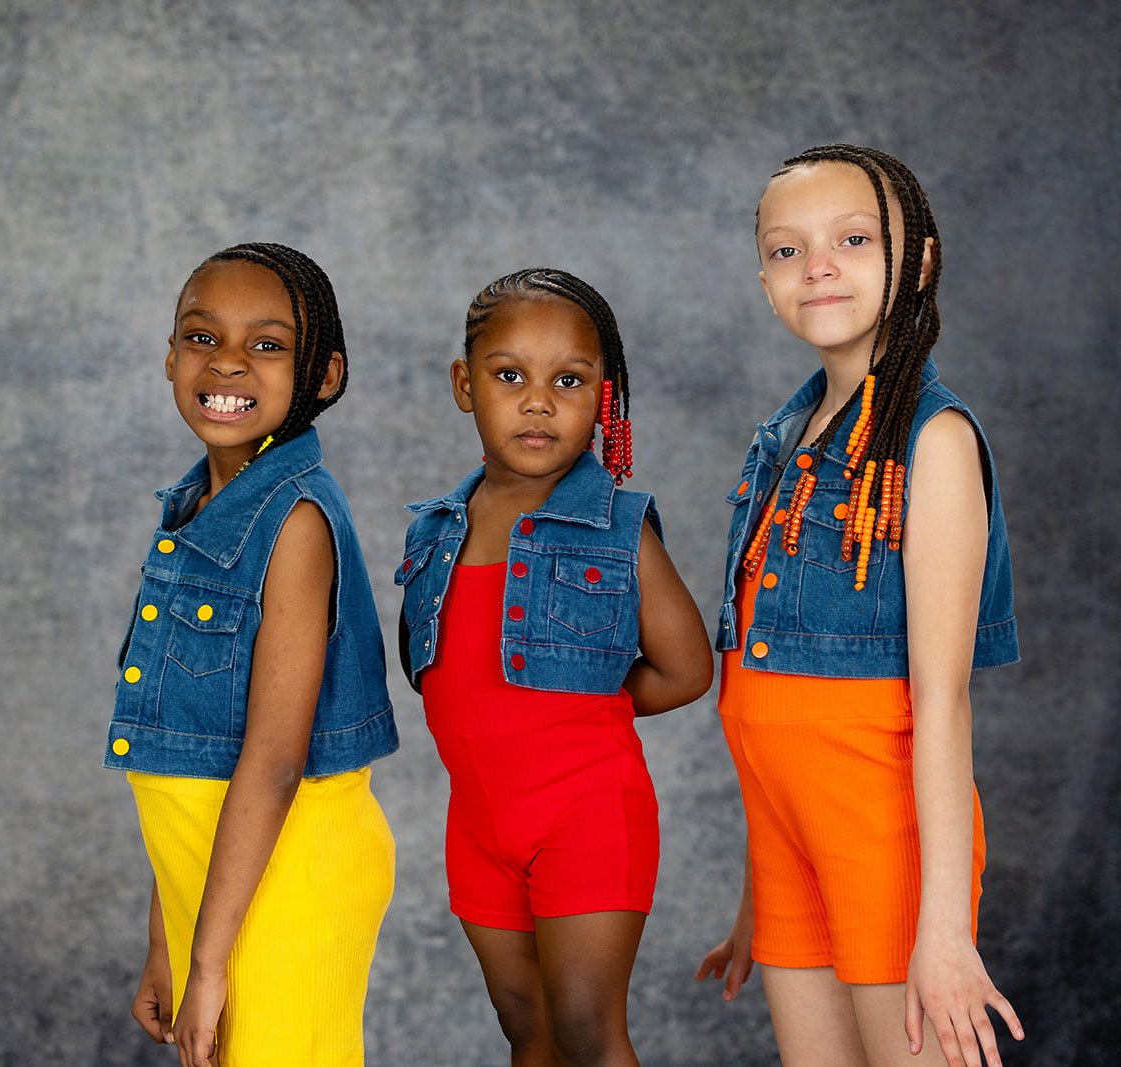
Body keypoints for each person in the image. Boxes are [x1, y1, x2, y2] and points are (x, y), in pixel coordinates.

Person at [694, 145, 1025, 1067]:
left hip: (885, 838)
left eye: (852, 238)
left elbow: (940, 699)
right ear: (764, 280)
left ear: (918, 260)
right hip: (787, 845)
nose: (819, 266)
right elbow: (767, 706)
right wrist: (756, 898)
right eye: (786, 249)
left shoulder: (935, 439)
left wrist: (947, 933)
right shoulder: (785, 439)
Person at [396, 268, 714, 1066]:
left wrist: (581, 703)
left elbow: (686, 670)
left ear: (602, 399)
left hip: (587, 815)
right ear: (465, 386)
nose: (538, 400)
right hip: (477, 824)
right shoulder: (437, 529)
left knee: (585, 1029)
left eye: (567, 380)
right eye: (510, 376)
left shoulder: (617, 528)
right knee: (527, 1029)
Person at [103, 242, 399, 1067]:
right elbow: (187, 743)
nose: (227, 361)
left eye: (267, 345)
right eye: (202, 336)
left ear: (324, 373)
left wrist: (208, 962)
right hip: (217, 881)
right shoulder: (202, 508)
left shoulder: (294, 522)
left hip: (291, 879)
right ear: (170, 355)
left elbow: (270, 761)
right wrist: (169, 935)